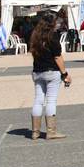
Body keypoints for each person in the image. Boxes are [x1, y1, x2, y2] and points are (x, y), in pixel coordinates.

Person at [29, 11, 71, 141]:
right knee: (51, 101)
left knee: (38, 100)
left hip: (37, 72)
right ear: (52, 23)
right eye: (56, 22)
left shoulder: (35, 36)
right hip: (52, 71)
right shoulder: (52, 37)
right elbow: (57, 57)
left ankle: (35, 132)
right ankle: (51, 131)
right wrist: (65, 74)